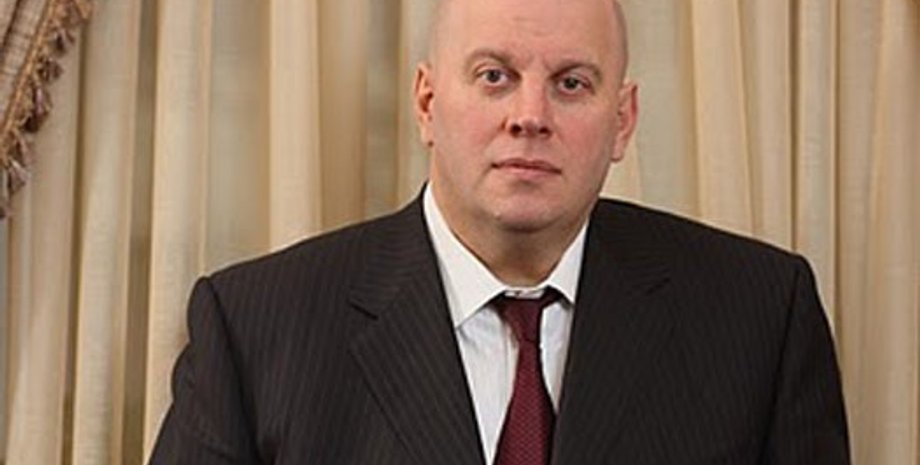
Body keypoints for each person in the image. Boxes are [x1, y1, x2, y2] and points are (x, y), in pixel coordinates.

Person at [149, 0, 850, 463]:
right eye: (494, 76)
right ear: (427, 102)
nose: (530, 115)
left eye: (571, 83)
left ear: (623, 121)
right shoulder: (253, 327)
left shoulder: (761, 314)